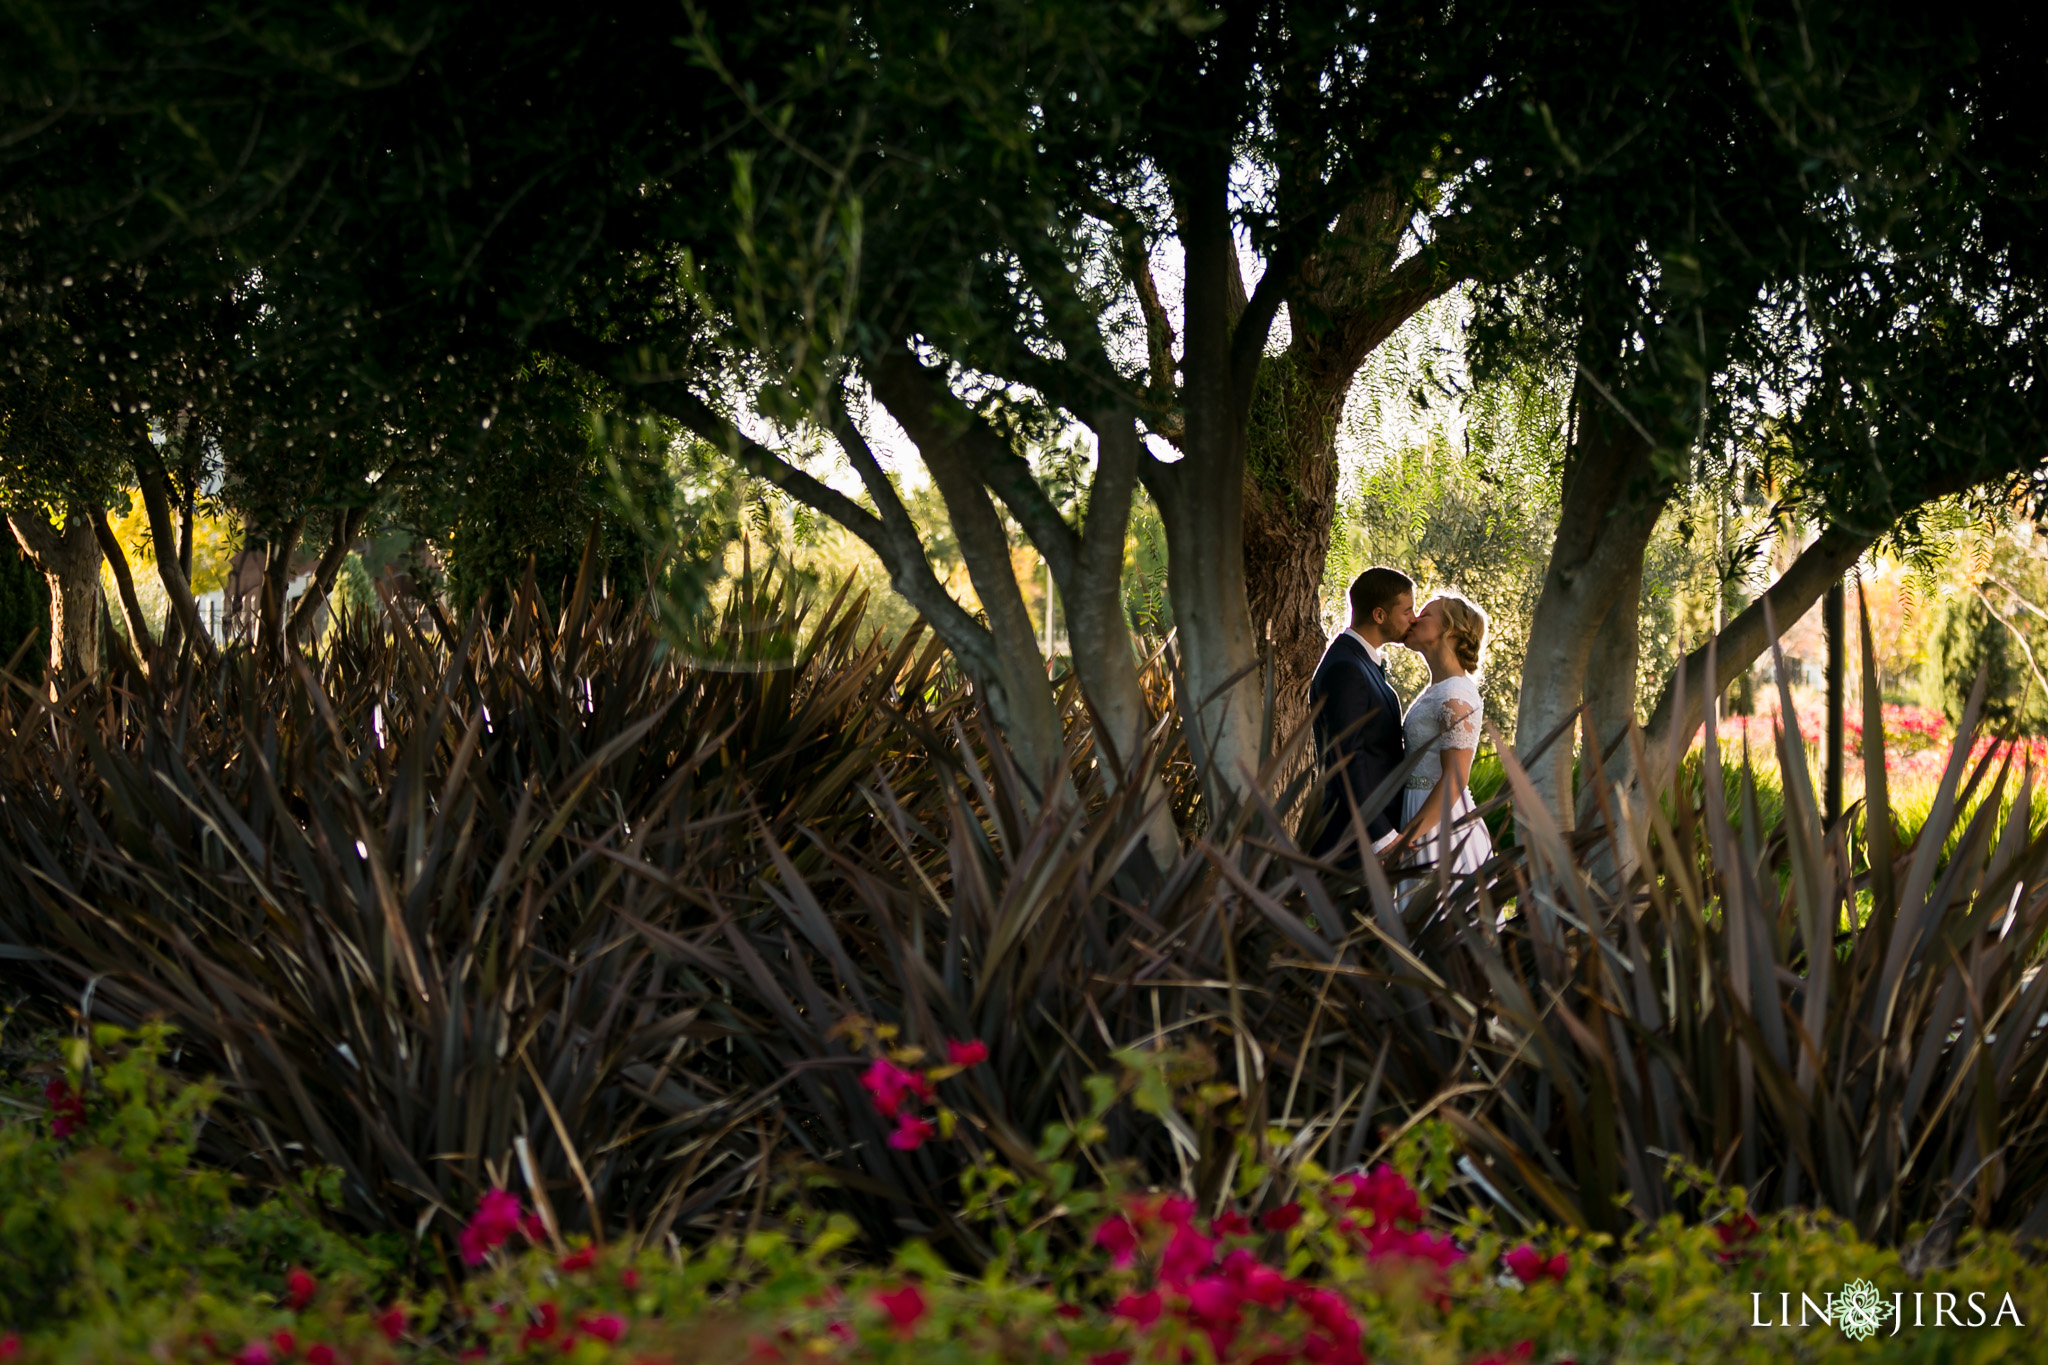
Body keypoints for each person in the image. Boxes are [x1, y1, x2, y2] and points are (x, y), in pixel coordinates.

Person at [1308, 566, 1414, 859]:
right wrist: (1381, 836)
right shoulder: (1346, 668)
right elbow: (1347, 759)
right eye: (1406, 611)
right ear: (1379, 615)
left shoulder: (1361, 662)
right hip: (1352, 843)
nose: (1413, 619)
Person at [1387, 592, 1493, 876]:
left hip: (1441, 826)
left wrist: (1406, 839)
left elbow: (1455, 779)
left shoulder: (1455, 693)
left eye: (1425, 614)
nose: (1415, 619)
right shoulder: (1439, 689)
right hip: (1420, 810)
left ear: (1451, 630)